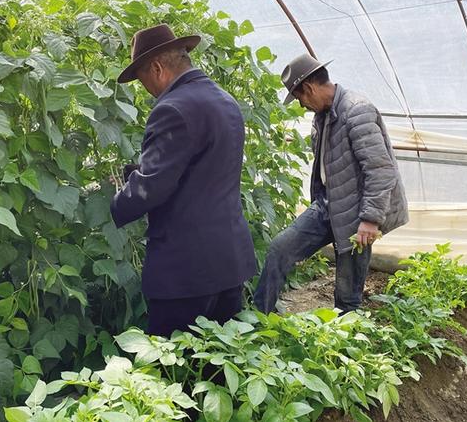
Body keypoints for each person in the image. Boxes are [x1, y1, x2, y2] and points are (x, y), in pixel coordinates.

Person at [110, 24, 256, 337]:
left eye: (142, 80)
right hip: (228, 262)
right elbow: (200, 169)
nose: (146, 90)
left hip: (186, 272)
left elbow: (152, 186)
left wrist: (118, 197)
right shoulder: (225, 100)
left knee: (173, 360)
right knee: (220, 358)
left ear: (157, 68)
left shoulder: (172, 108)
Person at [254, 53, 408, 314]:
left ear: (309, 88)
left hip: (357, 213)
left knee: (347, 294)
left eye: (299, 98)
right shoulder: (322, 115)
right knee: (280, 249)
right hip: (328, 205)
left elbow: (381, 171)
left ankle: (345, 333)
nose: (301, 105)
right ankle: (260, 318)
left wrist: (370, 220)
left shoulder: (357, 111)